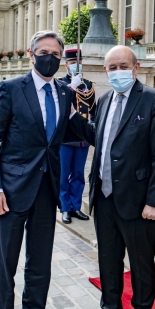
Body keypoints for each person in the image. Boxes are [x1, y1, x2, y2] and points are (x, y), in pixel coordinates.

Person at [69, 45, 155, 309]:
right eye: (111, 67)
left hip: (140, 203)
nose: (117, 72)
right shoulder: (103, 101)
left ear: (136, 67)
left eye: (122, 66)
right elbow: (99, 139)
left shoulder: (152, 100)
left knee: (141, 269)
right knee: (108, 262)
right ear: (105, 72)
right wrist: (73, 116)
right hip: (105, 199)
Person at [0, 30, 72, 309]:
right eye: (43, 52)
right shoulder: (11, 89)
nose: (50, 57)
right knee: (5, 266)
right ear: (31, 56)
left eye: (55, 53)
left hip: (47, 191)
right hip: (10, 194)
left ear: (61, 58)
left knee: (40, 264)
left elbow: (65, 135)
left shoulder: (64, 92)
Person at [59, 49, 95, 224]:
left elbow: (93, 110)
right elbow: (61, 104)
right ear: (66, 65)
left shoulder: (88, 85)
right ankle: (65, 207)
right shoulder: (60, 85)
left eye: (78, 61)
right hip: (66, 137)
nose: (75, 64)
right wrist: (72, 87)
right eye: (72, 62)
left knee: (79, 174)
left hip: (82, 138)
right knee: (64, 174)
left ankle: (76, 206)